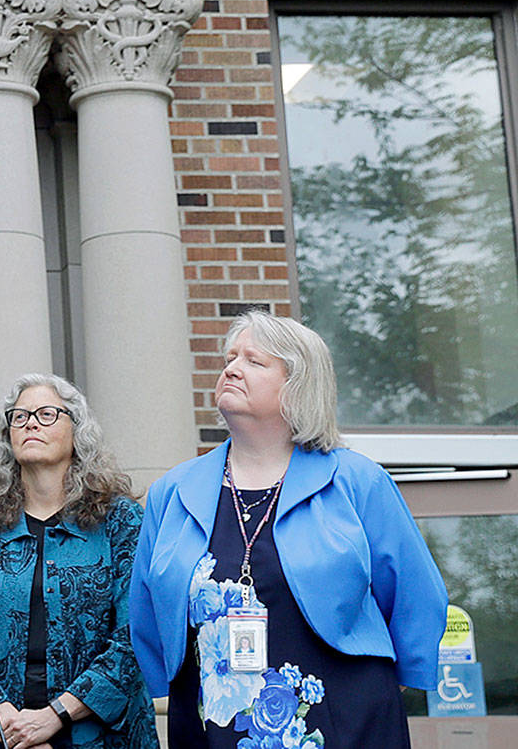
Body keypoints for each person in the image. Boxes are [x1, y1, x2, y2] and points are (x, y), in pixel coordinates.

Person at [130, 311, 448, 749]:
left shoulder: (357, 480)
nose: (231, 369)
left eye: (254, 361)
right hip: (213, 725)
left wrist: (391, 690)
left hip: (345, 721)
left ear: (299, 384)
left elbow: (414, 591)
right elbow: (145, 604)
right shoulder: (173, 491)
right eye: (229, 358)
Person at [0, 374, 155, 749]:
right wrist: (8, 720)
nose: (31, 423)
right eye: (19, 417)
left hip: (100, 737)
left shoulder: (120, 522)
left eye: (47, 414)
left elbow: (136, 634)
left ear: (78, 431)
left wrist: (54, 716)